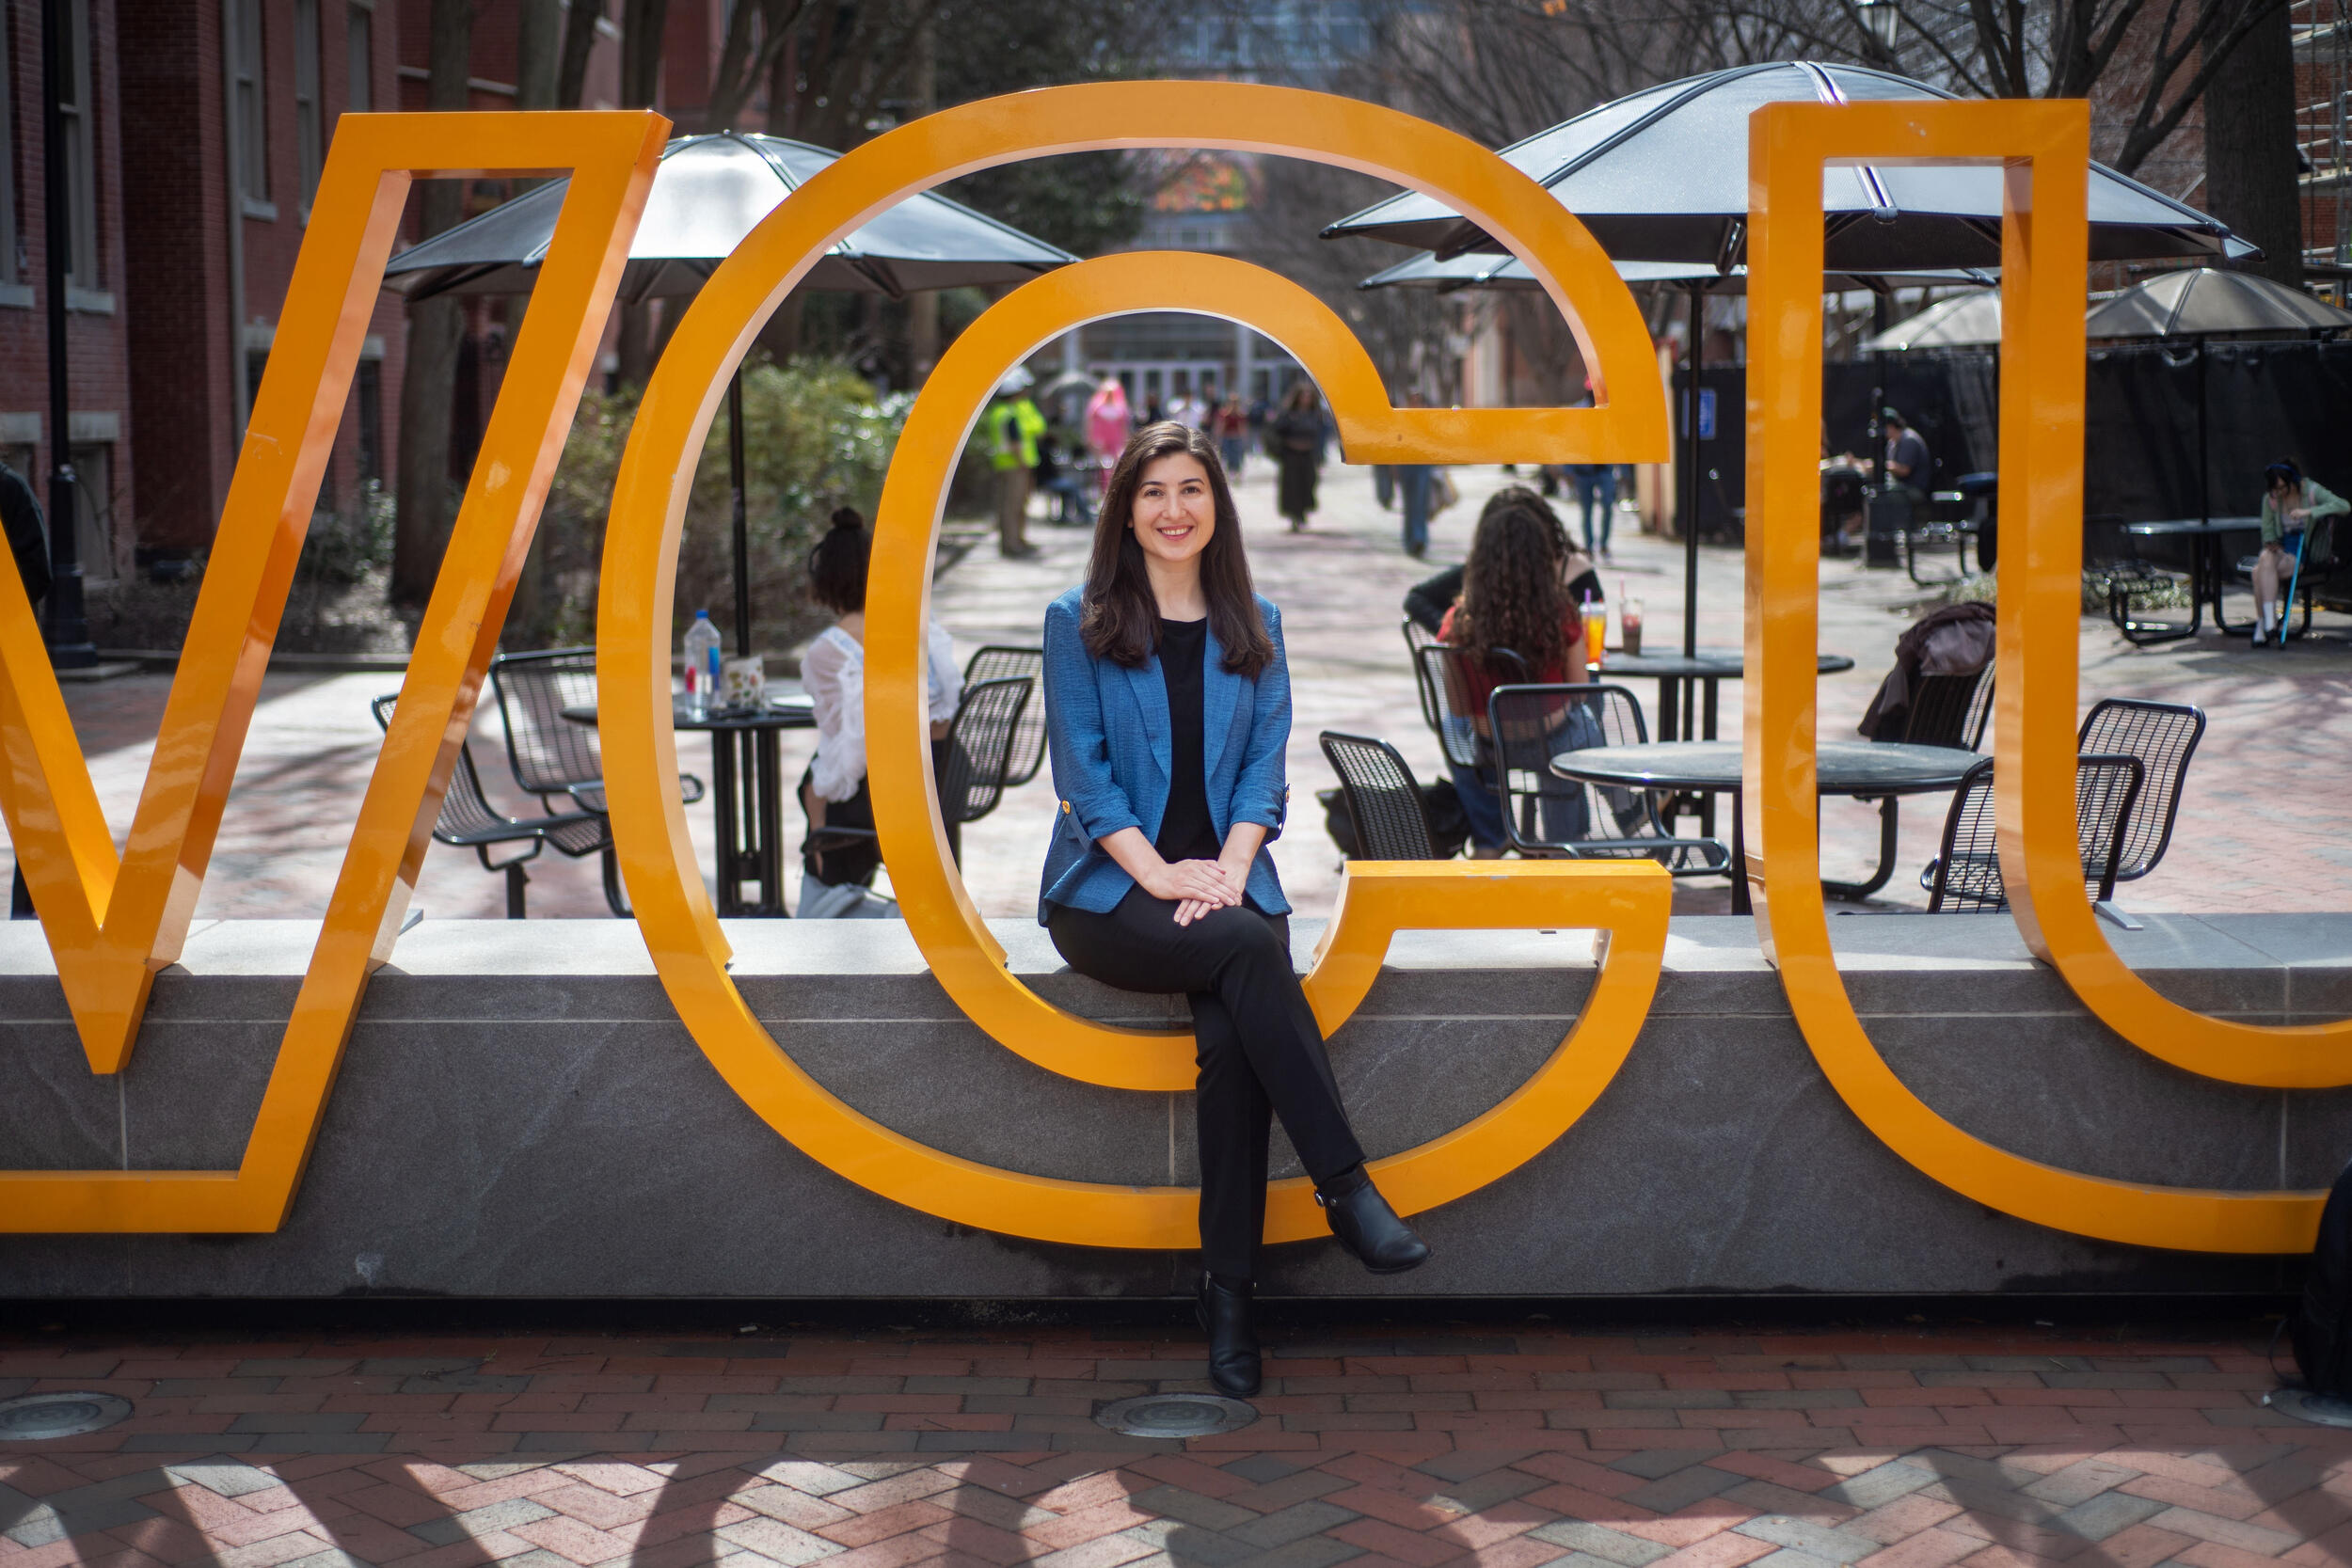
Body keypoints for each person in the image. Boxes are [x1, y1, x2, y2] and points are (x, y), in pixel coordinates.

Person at [1040, 422, 1429, 1396]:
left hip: (1228, 887)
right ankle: (1344, 1186)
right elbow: (1086, 781)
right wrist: (1167, 874)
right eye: (1153, 491)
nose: (1174, 509)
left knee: (1233, 1046)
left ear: (1218, 505)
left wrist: (1223, 866)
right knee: (1250, 952)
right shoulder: (1076, 619)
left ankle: (1229, 1300)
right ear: (1125, 508)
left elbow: (1263, 776)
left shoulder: (1254, 622)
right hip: (1110, 891)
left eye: (1192, 489)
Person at [798, 509, 962, 918]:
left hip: (898, 791)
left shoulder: (827, 651)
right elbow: (950, 694)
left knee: (813, 787)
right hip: (950, 775)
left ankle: (827, 903)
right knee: (814, 784)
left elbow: (847, 753)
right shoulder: (917, 621)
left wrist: (816, 802)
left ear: (824, 580)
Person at [1437, 489, 1591, 858]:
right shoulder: (1561, 615)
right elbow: (1581, 691)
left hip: (1490, 749)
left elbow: (1458, 708)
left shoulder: (1457, 623)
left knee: (1449, 726)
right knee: (1587, 722)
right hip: (1552, 741)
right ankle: (1565, 844)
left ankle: (1490, 838)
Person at [1403, 486, 1601, 637]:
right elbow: (1416, 598)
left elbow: (1593, 629)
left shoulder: (1575, 571)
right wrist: (1455, 630)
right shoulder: (1484, 572)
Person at [0, 458, 47, 921]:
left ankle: (29, 915)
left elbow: (37, 572)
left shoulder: (9, 490)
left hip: (10, 674)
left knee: (29, 797)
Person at [2253, 460, 2348, 646]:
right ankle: (2269, 623)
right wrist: (2272, 542)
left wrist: (2309, 512)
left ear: (2293, 481)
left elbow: (2343, 506)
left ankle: (2263, 623)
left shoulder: (2311, 490)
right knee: (2265, 558)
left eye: (2283, 488)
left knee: (2258, 573)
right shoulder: (2271, 499)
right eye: (2275, 489)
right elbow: (2268, 529)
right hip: (2281, 551)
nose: (2279, 493)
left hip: (2303, 550)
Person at [986, 372, 1047, 559]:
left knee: (1008, 506)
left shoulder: (998, 413)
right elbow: (1015, 444)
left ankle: (1013, 542)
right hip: (1015, 466)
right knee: (1014, 507)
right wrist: (1022, 462)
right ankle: (1013, 544)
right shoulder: (1011, 414)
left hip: (1004, 465)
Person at [1271, 381, 1323, 532]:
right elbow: (1276, 431)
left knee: (1307, 484)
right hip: (1291, 456)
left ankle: (1302, 513)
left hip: (1307, 456)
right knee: (1292, 487)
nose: (1306, 399)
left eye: (1308, 396)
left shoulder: (1314, 415)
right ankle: (1294, 516)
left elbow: (1319, 436)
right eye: (1303, 396)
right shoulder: (1288, 415)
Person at [1881, 408, 1931, 502]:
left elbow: (1904, 470)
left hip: (1914, 489)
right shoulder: (1892, 443)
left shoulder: (1909, 440)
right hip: (1900, 486)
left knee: (1886, 493)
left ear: (1891, 426)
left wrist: (1884, 465)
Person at [1212, 394, 1249, 480]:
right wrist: (1217, 439)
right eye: (1232, 402)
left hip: (1236, 438)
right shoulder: (1224, 414)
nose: (1234, 404)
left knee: (1237, 457)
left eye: (1235, 402)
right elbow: (1219, 427)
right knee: (1226, 456)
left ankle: (1237, 474)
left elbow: (1243, 428)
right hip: (1226, 438)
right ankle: (1228, 474)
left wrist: (1245, 440)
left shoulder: (1240, 415)